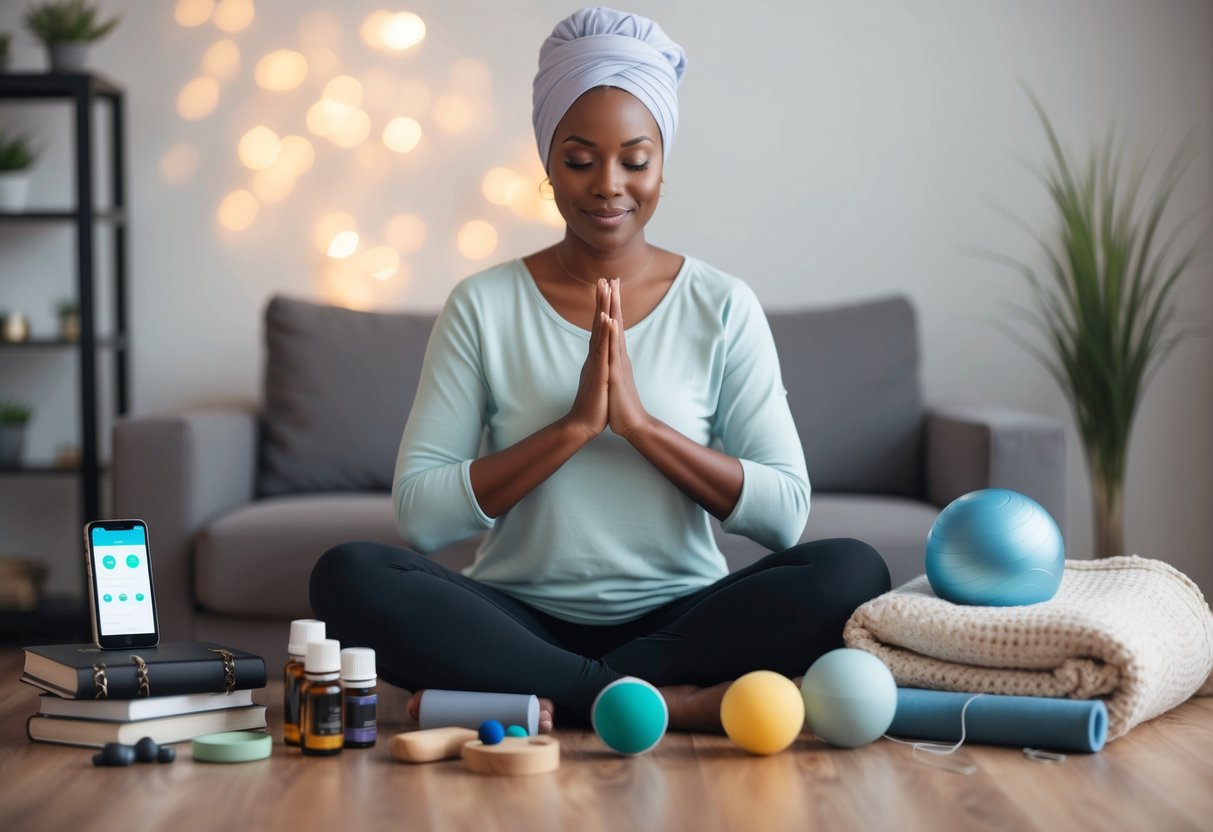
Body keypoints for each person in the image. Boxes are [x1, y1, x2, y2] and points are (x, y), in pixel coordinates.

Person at [310, 6, 890, 732]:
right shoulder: (483, 304)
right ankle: (659, 705)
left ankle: (569, 697)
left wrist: (640, 427)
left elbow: (783, 516)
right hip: (516, 618)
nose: (607, 185)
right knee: (350, 574)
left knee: (851, 571)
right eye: (579, 160)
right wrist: (575, 427)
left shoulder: (721, 304)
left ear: (662, 162)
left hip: (682, 619)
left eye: (634, 160)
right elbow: (420, 518)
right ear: (547, 163)